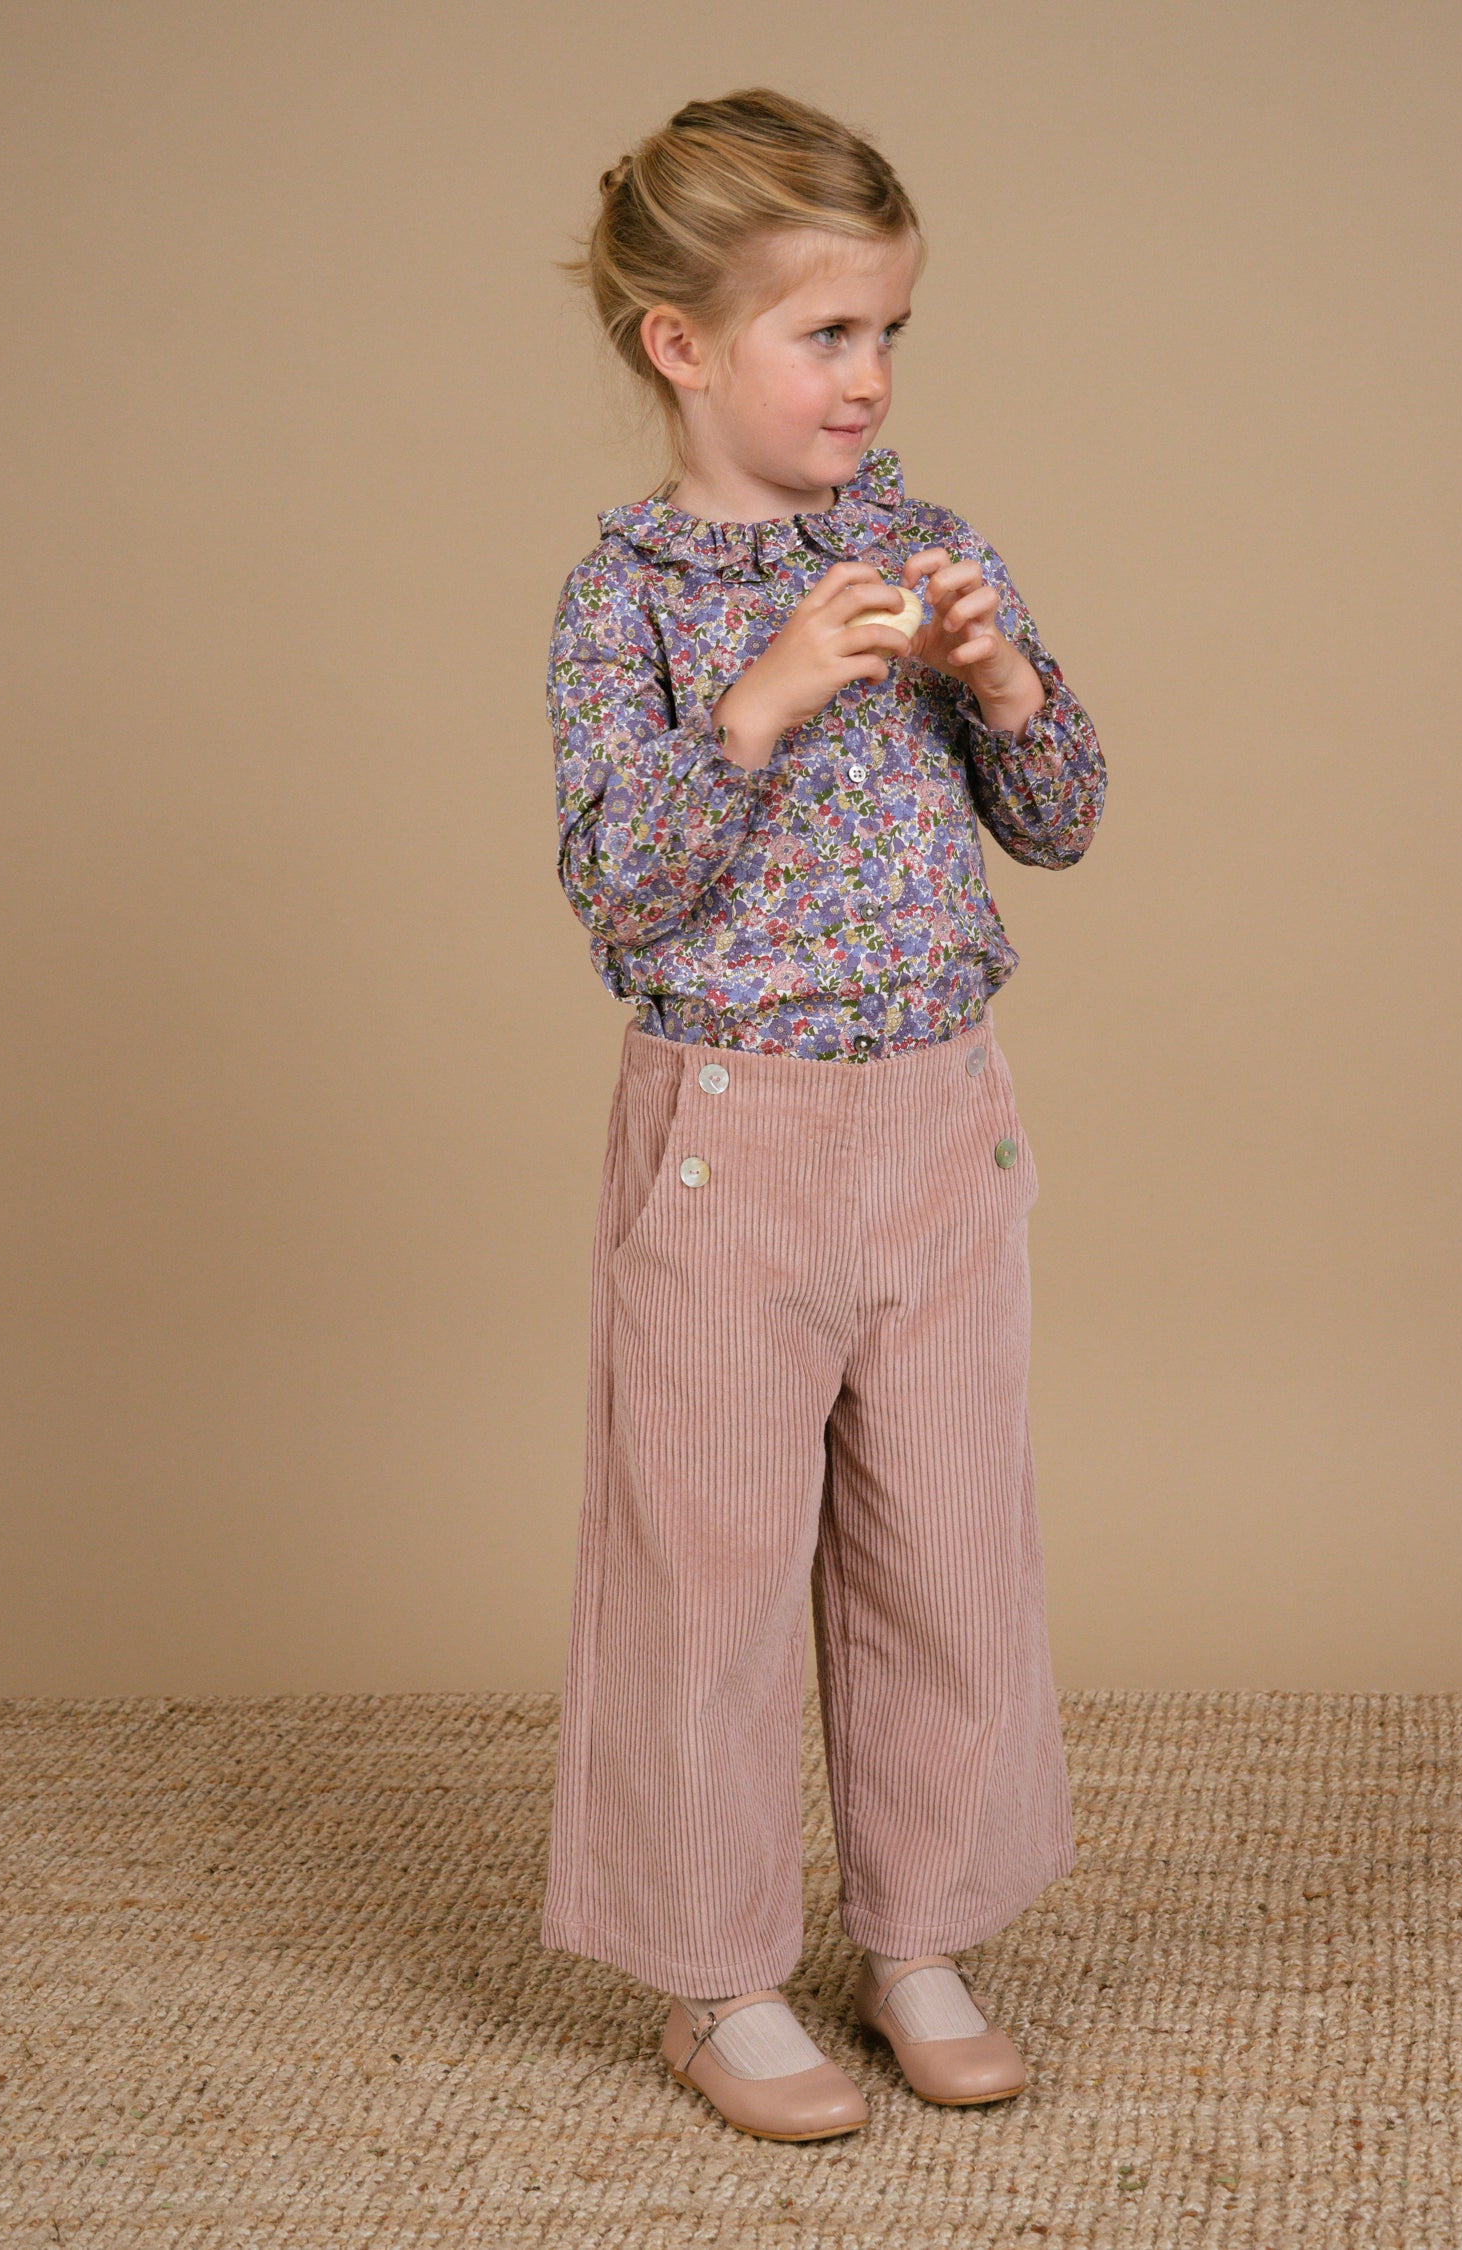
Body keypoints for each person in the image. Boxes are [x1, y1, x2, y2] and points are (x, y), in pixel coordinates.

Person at [538, 87, 1107, 2142]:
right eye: (824, 334)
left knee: (946, 1549)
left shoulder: (930, 547)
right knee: (705, 1564)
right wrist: (763, 697)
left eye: (887, 334)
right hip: (733, 1131)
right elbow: (622, 886)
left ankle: (925, 1929)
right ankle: (715, 1975)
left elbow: (1060, 826)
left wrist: (1008, 688)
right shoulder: (634, 600)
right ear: (685, 344)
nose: (868, 377)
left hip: (944, 1124)